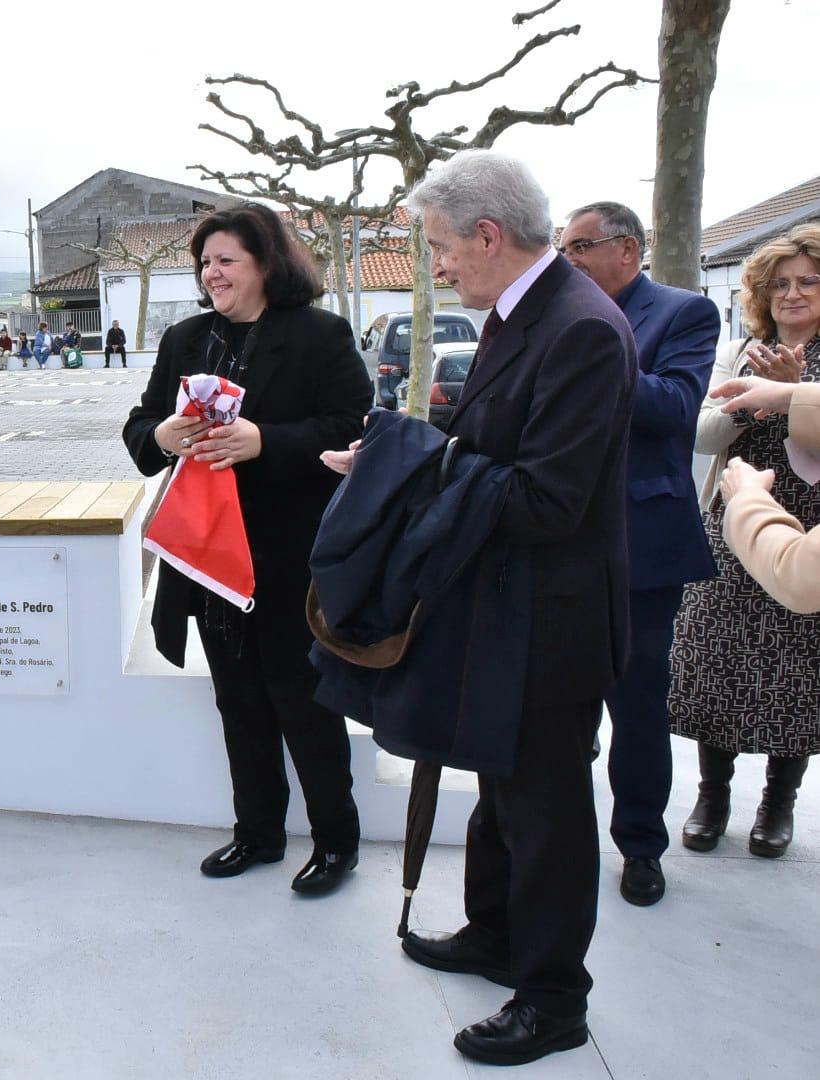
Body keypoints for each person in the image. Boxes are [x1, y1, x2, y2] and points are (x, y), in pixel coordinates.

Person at [341, 151, 634, 1067]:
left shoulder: (582, 329)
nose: (435, 266)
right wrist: (394, 455)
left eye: (439, 247)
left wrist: (409, 470)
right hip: (510, 609)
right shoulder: (521, 314)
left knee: (545, 811)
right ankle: (497, 935)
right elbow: (484, 445)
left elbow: (548, 501)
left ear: (488, 236)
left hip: (554, 620)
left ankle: (553, 998)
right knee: (501, 793)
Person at [122, 203, 367, 898]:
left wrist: (265, 440)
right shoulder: (187, 339)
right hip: (206, 554)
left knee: (304, 702)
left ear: (266, 264)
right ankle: (258, 833)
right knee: (238, 701)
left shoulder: (320, 335)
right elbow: (141, 428)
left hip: (288, 554)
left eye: (226, 260)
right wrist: (163, 435)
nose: (212, 273)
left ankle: (336, 843)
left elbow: (352, 426)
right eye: (205, 263)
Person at [559, 201, 720, 908]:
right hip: (561, 537)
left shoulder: (685, 313)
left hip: (643, 546)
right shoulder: (557, 315)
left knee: (638, 705)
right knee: (562, 705)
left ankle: (641, 846)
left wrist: (595, 357)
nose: (568, 261)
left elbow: (675, 408)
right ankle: (560, 841)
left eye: (581, 247)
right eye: (564, 248)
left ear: (627, 249)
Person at [671, 223, 820, 861]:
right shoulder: (740, 352)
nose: (793, 294)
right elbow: (702, 435)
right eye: (780, 284)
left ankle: (778, 804)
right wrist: (754, 403)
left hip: (806, 533)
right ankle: (712, 797)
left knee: (798, 671)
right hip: (731, 522)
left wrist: (794, 397)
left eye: (809, 281)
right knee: (716, 662)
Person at [713, 376, 820, 612]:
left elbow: (798, 577)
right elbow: (704, 434)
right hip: (745, 557)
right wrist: (793, 397)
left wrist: (745, 498)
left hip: (774, 538)